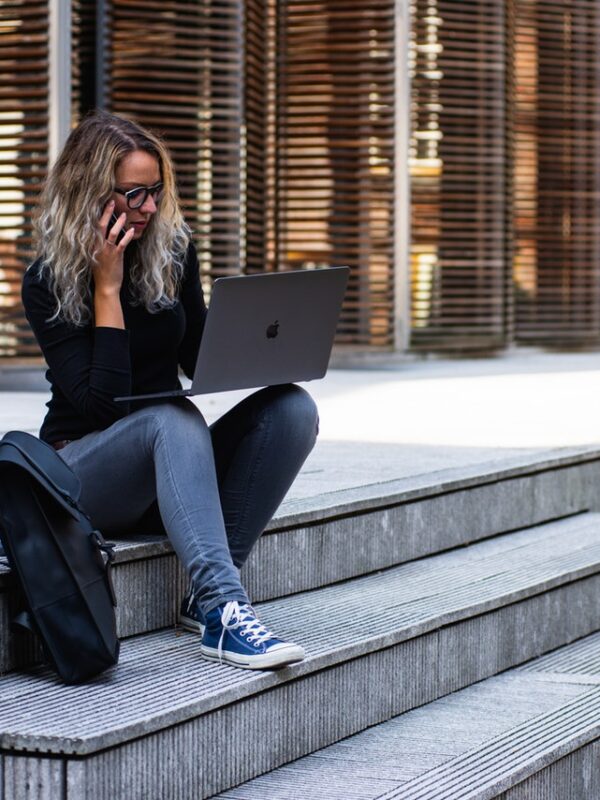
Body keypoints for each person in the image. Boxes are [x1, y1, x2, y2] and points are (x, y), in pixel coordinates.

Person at [21, 110, 318, 671]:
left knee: (291, 410)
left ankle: (203, 595)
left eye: (156, 191)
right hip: (84, 476)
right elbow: (100, 406)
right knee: (173, 418)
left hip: (165, 471)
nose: (151, 208)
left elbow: (195, 358)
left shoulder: (172, 253)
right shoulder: (46, 282)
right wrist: (107, 287)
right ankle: (223, 611)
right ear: (91, 194)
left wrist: (267, 342)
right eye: (135, 194)